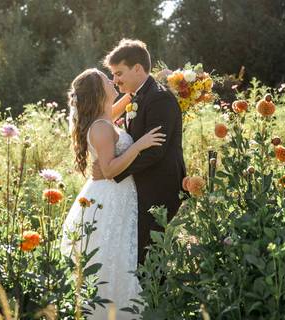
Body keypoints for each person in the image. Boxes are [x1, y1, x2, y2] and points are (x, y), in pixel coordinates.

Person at [60, 68, 165, 319]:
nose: (113, 80)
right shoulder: (101, 128)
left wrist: (151, 82)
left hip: (118, 196)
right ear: (98, 90)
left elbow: (123, 103)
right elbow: (108, 170)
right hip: (110, 197)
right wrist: (139, 145)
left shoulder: (104, 117)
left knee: (119, 254)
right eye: (107, 79)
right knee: (112, 255)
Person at [93, 39, 186, 266]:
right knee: (140, 254)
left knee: (151, 256)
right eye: (113, 75)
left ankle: (155, 300)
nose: (115, 80)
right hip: (143, 188)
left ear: (137, 68)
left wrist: (113, 170)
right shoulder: (138, 96)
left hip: (159, 189)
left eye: (119, 73)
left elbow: (155, 150)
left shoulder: (160, 98)